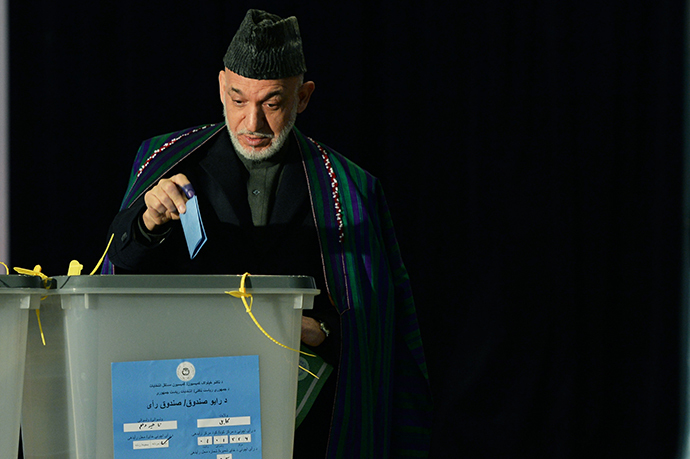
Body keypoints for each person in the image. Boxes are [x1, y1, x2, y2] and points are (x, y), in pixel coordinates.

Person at [104, 9, 432, 458]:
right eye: (238, 100)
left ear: (304, 97)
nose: (252, 123)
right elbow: (116, 279)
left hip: (307, 431)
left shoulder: (350, 188)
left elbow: (378, 327)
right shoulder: (164, 159)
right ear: (222, 87)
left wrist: (320, 334)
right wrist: (148, 224)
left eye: (272, 103)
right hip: (187, 414)